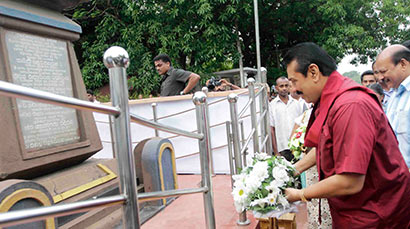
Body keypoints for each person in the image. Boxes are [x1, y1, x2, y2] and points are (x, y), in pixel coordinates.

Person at [283, 42, 410, 228]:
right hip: (356, 210)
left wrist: (300, 194)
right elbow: (326, 144)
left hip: (375, 213)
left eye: (294, 81)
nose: (293, 90)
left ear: (313, 72)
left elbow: (351, 181)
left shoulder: (351, 105)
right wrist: (294, 170)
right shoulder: (334, 98)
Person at [374, 44, 410, 168]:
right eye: (377, 73)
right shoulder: (394, 95)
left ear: (403, 64)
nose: (380, 78)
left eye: (383, 72)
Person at [269, 77, 303, 157]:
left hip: (296, 147)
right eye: (281, 86)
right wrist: (276, 151)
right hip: (282, 148)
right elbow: (272, 129)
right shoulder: (272, 106)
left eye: (286, 86)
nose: (284, 88)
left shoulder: (297, 104)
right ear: (277, 88)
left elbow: (302, 125)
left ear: (289, 87)